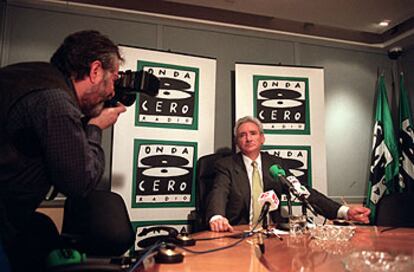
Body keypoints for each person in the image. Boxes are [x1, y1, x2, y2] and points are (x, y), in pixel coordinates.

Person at [0, 30, 126, 271]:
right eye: (114, 78)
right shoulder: (56, 102)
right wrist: (95, 127)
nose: (112, 91)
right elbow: (79, 183)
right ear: (95, 70)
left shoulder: (30, 76)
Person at [205, 116, 371, 232]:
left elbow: (304, 192)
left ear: (262, 138)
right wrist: (217, 217)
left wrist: (344, 212)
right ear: (237, 142)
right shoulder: (225, 166)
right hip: (239, 233)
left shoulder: (276, 165)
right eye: (242, 135)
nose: (248, 138)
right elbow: (219, 192)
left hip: (271, 234)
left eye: (253, 133)